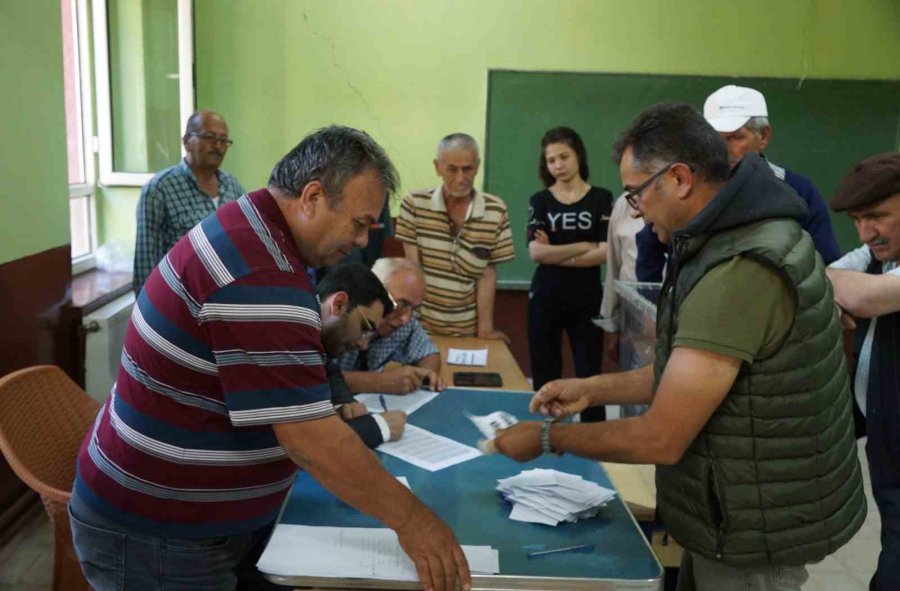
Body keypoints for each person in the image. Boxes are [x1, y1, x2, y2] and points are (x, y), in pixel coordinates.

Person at [70, 126, 470, 591]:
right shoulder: (259, 274)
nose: (363, 241)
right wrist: (415, 524)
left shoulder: (256, 229)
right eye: (359, 223)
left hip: (200, 522)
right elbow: (310, 438)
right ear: (313, 197)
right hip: (160, 535)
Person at [492, 103, 865, 590]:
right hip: (735, 507)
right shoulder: (726, 237)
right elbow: (691, 369)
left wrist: (547, 440)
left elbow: (661, 437)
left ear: (681, 179)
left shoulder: (742, 269)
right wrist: (594, 390)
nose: (635, 209)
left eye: (636, 193)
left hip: (756, 529)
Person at [635, 84, 842, 282]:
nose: (724, 149)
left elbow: (825, 261)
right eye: (716, 138)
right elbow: (648, 244)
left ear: (763, 136)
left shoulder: (798, 190)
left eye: (735, 137)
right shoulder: (689, 188)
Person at [826, 152, 900, 591]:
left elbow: (871, 297)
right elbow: (822, 275)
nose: (865, 231)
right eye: (856, 219)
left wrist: (844, 294)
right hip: (885, 437)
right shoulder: (880, 252)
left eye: (876, 216)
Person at [526, 127, 612, 419]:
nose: (558, 165)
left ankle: (593, 439)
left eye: (564, 157)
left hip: (587, 297)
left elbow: (605, 252)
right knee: (545, 371)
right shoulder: (540, 201)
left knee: (589, 373)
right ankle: (548, 435)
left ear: (578, 155)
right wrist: (582, 245)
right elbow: (536, 253)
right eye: (551, 160)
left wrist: (557, 253)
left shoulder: (601, 198)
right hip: (545, 296)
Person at [395, 133, 515, 340]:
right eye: (452, 169)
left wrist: (485, 330)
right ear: (437, 167)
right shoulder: (414, 203)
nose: (460, 178)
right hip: (420, 327)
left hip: (467, 330)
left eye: (468, 169)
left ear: (477, 166)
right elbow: (412, 267)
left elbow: (487, 274)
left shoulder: (496, 210)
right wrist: (409, 327)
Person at [133, 110, 245, 294]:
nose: (218, 146)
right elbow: (145, 263)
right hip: (179, 303)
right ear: (187, 142)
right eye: (209, 137)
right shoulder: (159, 189)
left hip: (226, 301)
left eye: (223, 140)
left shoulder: (232, 186)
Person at [316, 262, 408, 448]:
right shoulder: (291, 337)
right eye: (365, 327)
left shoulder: (314, 340)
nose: (361, 343)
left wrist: (343, 400)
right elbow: (306, 437)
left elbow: (328, 368)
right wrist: (380, 426)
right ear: (339, 304)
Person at [336, 257, 446, 394]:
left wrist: (425, 374)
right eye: (402, 304)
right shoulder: (336, 317)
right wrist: (378, 382)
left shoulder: (401, 321)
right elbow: (311, 380)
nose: (405, 319)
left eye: (413, 309)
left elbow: (429, 353)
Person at [595, 192, 647, 418]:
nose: (637, 207)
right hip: (631, 319)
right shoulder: (623, 205)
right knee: (632, 405)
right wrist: (612, 325)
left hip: (674, 322)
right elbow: (614, 268)